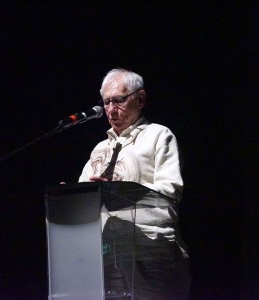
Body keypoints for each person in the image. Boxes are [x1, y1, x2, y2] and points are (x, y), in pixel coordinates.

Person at [79, 68, 190, 299]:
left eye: (118, 100)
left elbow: (170, 191)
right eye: (106, 102)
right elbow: (83, 194)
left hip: (149, 251)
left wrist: (118, 193)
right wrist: (71, 194)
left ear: (140, 99)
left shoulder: (158, 135)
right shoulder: (99, 149)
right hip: (106, 254)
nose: (110, 109)